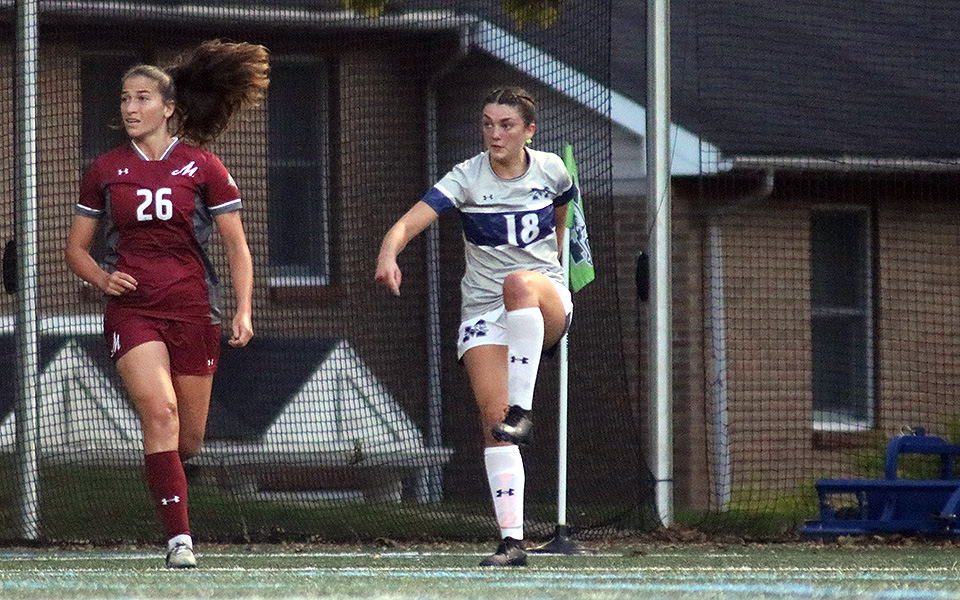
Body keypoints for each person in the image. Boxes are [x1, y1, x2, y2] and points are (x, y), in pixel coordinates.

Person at [64, 40, 268, 569]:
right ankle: (181, 540)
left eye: (142, 98)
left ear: (168, 107)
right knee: (161, 413)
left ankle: (166, 472)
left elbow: (236, 246)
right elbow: (76, 250)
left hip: (195, 311)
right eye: (125, 98)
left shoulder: (203, 167)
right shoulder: (105, 169)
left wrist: (243, 309)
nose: (130, 108)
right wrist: (102, 279)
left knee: (189, 439)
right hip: (134, 313)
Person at [375, 87, 577, 567]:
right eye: (487, 123)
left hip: (541, 295)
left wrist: (561, 272)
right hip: (484, 311)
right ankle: (512, 542)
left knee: (519, 283)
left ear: (529, 131)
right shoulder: (466, 176)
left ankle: (524, 408)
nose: (495, 133)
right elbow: (407, 224)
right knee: (495, 424)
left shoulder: (551, 170)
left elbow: (565, 218)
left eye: (506, 124)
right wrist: (388, 255)